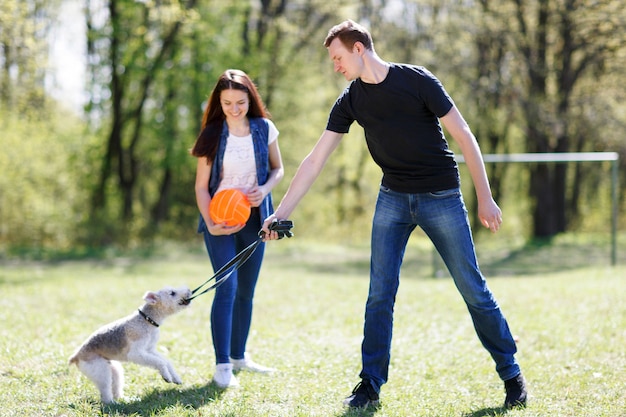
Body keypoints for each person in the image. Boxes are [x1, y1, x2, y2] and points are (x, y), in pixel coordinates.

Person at [262, 20, 527, 409]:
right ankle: (370, 384)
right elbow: (316, 159)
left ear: (358, 49)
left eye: (337, 57)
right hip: (393, 199)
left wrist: (485, 198)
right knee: (379, 295)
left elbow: (464, 136)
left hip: (441, 195)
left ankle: (511, 372)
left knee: (472, 287)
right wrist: (280, 213)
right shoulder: (351, 99)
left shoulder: (418, 81)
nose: (335, 65)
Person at [191, 69, 284, 389]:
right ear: (219, 102)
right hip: (220, 221)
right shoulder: (211, 135)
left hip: (255, 220)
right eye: (227, 102)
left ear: (250, 100)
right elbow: (202, 187)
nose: (234, 108)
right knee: (226, 287)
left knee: (246, 290)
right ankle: (221, 367)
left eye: (240, 102)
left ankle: (239, 357)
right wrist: (212, 223)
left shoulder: (264, 128)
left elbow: (278, 169)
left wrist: (265, 187)